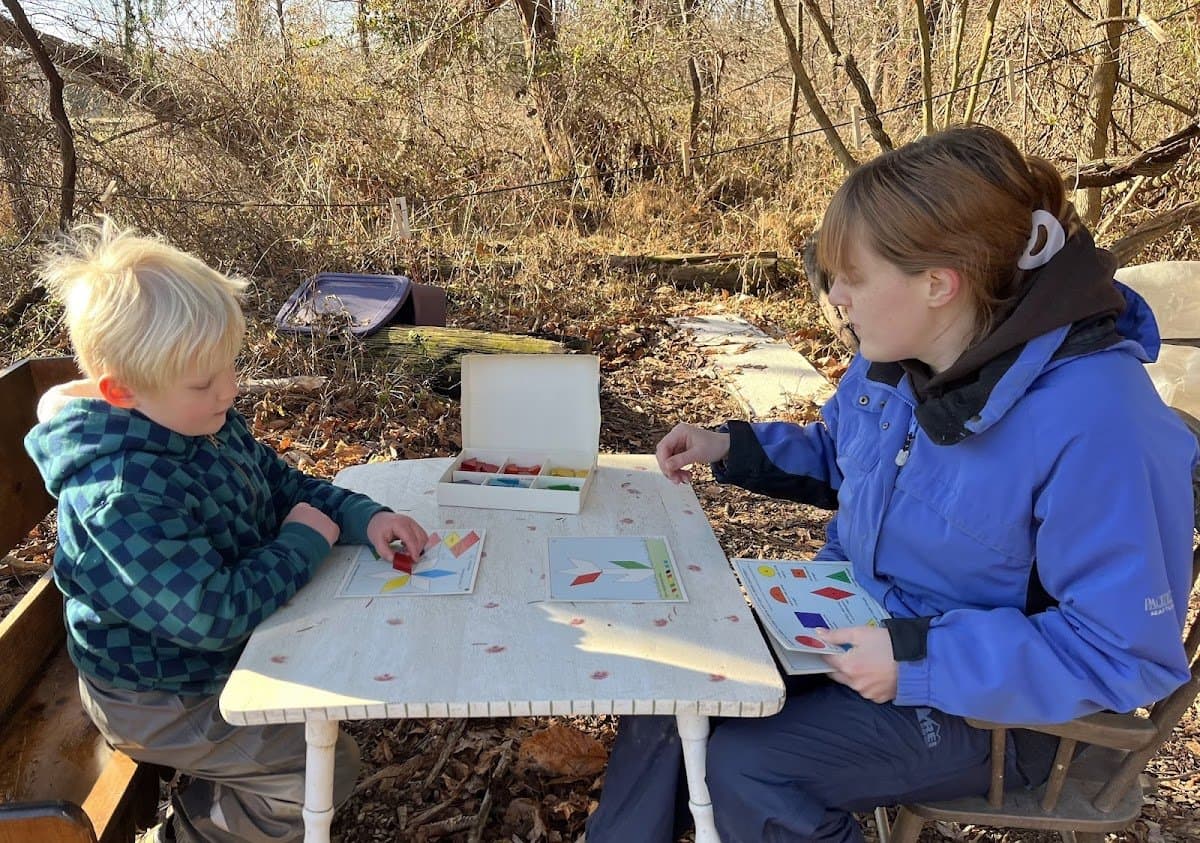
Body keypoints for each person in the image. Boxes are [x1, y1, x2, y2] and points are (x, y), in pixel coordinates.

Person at [584, 124, 1197, 843]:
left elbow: (1119, 650)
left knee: (748, 767)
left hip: (1004, 713)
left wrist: (917, 660)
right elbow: (849, 458)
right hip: (860, 620)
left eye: (853, 276)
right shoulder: (899, 356)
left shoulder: (1100, 420)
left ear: (938, 283)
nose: (836, 295)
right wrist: (732, 447)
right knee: (680, 667)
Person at [24, 219, 429, 843]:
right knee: (318, 770)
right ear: (119, 391)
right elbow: (209, 614)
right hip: (157, 692)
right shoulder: (120, 495)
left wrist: (364, 517)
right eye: (205, 382)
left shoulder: (198, 422)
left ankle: (221, 793)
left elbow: (283, 487)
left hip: (199, 659)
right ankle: (191, 831)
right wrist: (303, 544)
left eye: (229, 369)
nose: (231, 391)